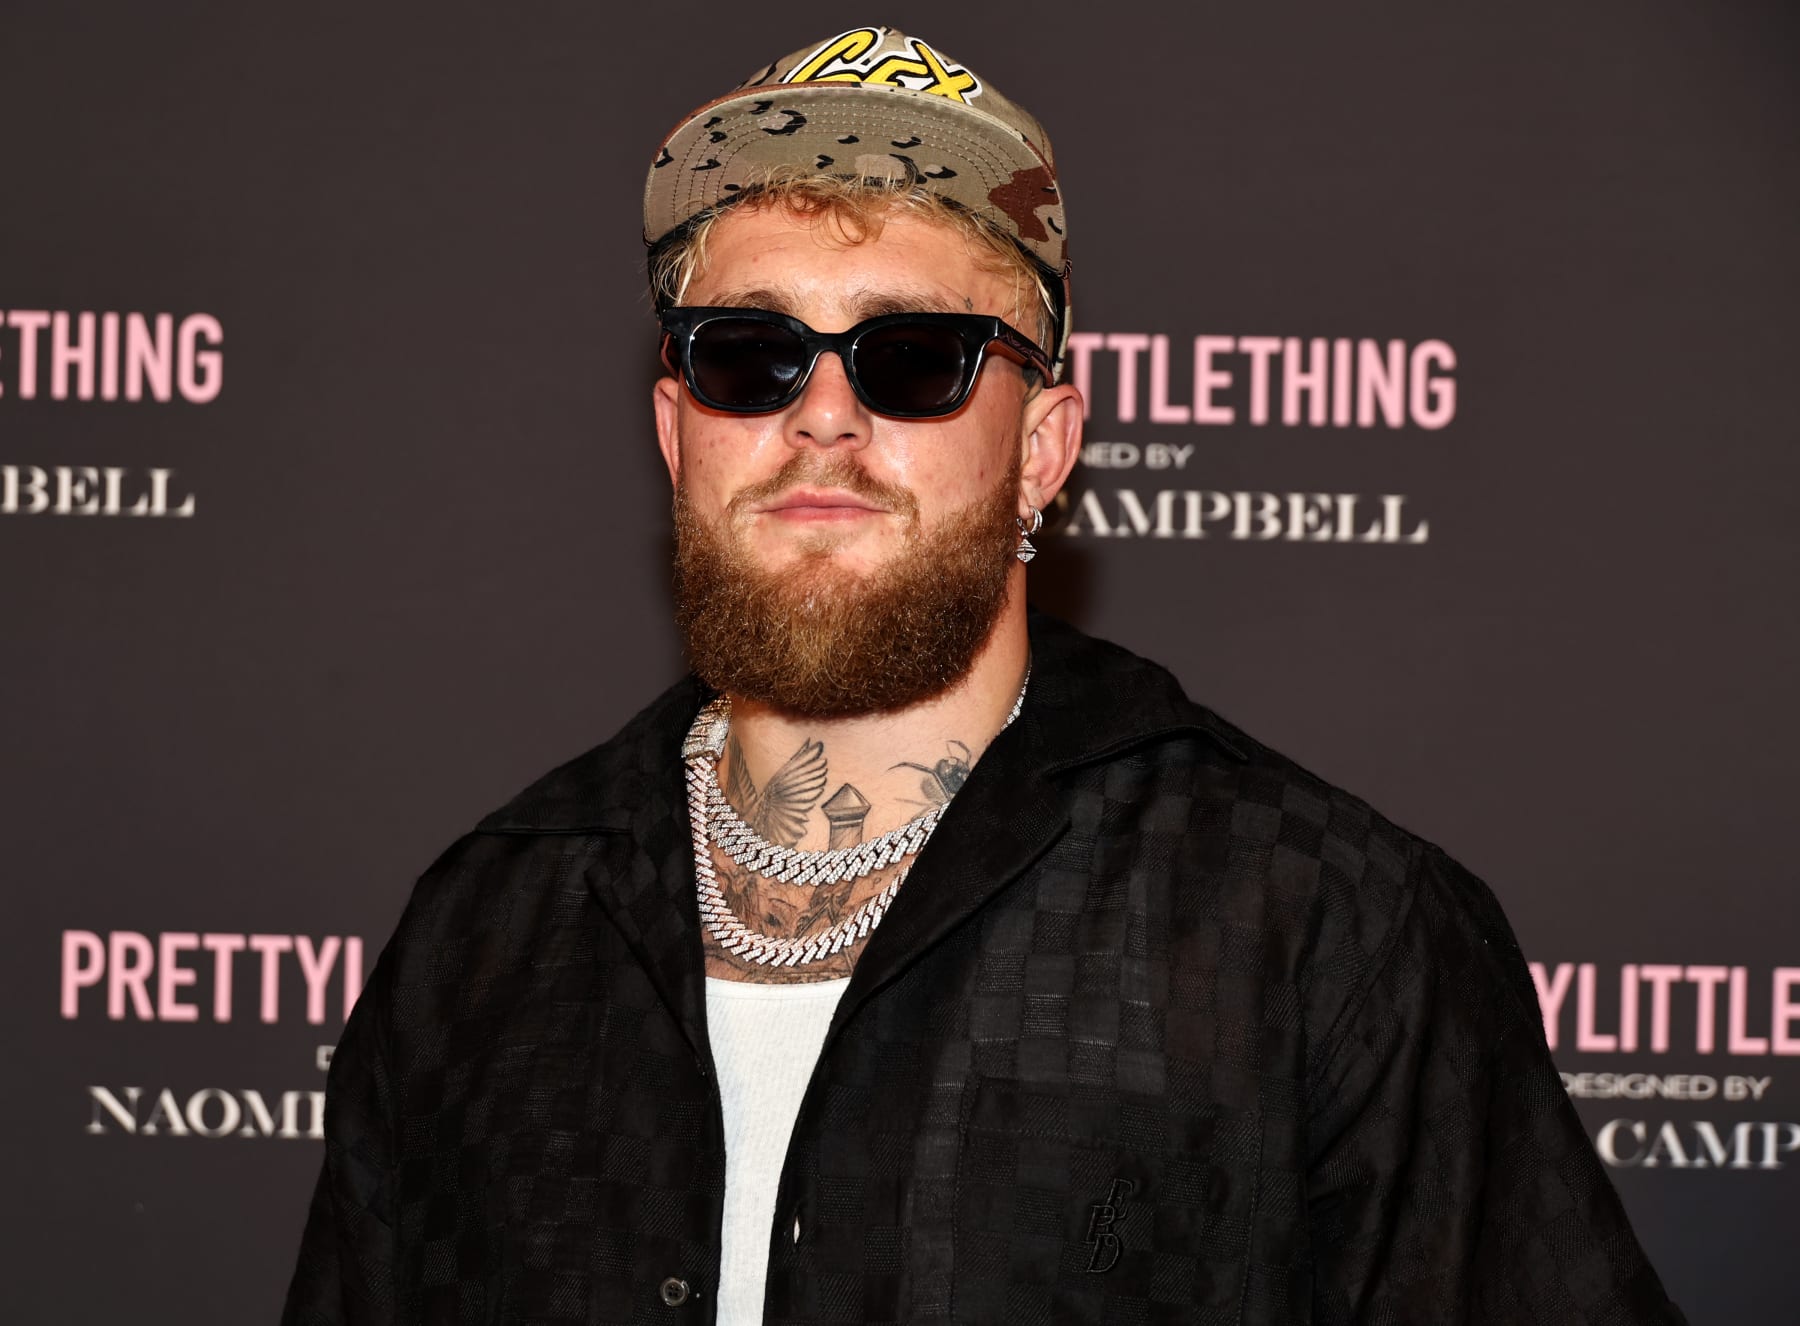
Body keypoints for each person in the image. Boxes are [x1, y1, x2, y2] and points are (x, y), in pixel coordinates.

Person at [284, 26, 1683, 1325]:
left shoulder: (1316, 930)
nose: (823, 415)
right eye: (750, 356)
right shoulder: (484, 934)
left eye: (915, 359)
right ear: (674, 429)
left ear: (1044, 448)